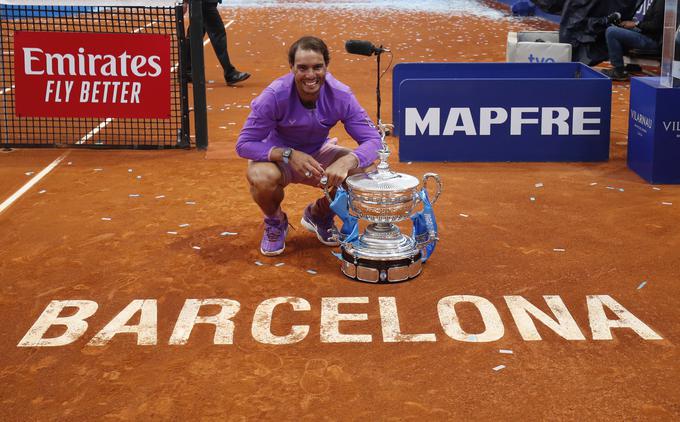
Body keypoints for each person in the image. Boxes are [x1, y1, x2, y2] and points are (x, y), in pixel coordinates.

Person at [235, 36, 382, 256]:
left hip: (318, 153)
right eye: (302, 68)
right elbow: (244, 145)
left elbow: (374, 140)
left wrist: (347, 160)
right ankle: (275, 221)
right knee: (260, 177)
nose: (310, 75)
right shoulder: (274, 96)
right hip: (279, 157)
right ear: (292, 68)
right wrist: (288, 154)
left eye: (317, 67)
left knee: (366, 171)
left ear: (326, 67)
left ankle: (320, 214)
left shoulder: (341, 95)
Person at [183, 0, 250, 86]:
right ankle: (230, 73)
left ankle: (186, 71)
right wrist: (185, 2)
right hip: (204, 3)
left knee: (194, 34)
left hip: (201, 3)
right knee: (218, 34)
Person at [601, 0, 665, 81]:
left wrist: (636, 24)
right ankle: (632, 65)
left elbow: (655, 26)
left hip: (652, 40)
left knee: (611, 32)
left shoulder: (662, 2)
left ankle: (619, 71)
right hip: (645, 32)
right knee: (617, 27)